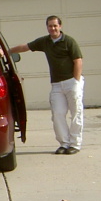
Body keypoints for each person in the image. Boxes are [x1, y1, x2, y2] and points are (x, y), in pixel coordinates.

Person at [10, 16, 84, 155]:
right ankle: (64, 143)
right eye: (50, 26)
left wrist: (76, 81)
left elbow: (78, 61)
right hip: (56, 85)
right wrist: (7, 51)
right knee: (57, 114)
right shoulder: (45, 41)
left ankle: (75, 144)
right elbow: (25, 47)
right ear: (47, 27)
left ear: (60, 26)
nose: (53, 28)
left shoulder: (69, 41)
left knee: (76, 113)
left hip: (72, 82)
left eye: (55, 26)